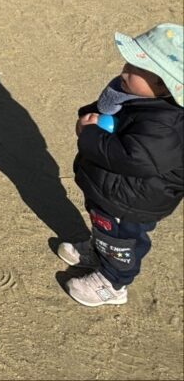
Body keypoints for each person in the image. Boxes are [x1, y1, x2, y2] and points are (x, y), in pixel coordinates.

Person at [57, 24, 183, 307]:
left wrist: (90, 135)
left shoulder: (166, 125)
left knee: (123, 239)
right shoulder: (134, 95)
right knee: (104, 227)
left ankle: (114, 283)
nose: (124, 71)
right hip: (113, 188)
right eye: (128, 63)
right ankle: (100, 251)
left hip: (133, 200)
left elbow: (133, 157)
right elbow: (106, 111)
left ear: (164, 84)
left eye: (136, 69)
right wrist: (90, 118)